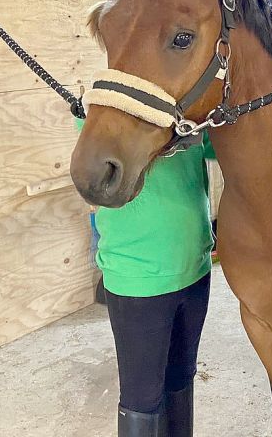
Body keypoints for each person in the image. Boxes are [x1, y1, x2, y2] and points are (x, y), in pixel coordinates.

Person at [80, 115, 215, 437]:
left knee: (181, 377)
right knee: (143, 397)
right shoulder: (107, 115)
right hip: (139, 278)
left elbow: (228, 147)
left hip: (194, 269)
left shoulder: (190, 118)